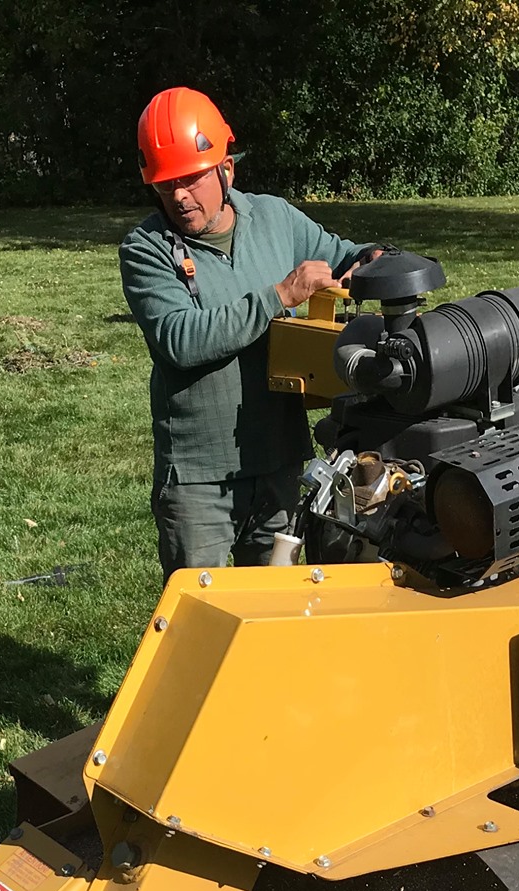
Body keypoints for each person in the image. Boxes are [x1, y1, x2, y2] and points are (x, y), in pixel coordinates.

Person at [118, 87, 376, 577]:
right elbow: (179, 339)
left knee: (276, 621)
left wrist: (376, 258)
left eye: (191, 179)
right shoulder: (145, 248)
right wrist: (279, 295)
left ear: (226, 168)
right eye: (165, 183)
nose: (179, 195)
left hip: (280, 463)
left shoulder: (274, 218)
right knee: (201, 627)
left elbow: (345, 254)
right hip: (198, 482)